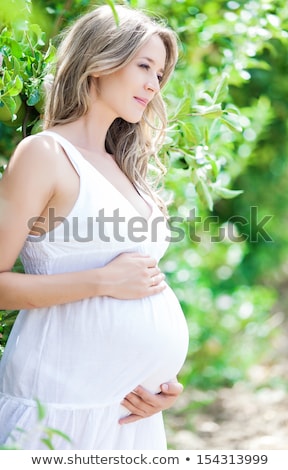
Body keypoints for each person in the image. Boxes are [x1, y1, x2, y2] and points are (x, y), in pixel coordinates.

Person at [0, 4, 189, 450]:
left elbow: (141, 294)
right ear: (99, 61)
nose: (152, 84)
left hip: (127, 411)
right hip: (61, 403)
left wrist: (162, 381)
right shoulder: (45, 154)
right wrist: (101, 281)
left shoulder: (125, 168)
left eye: (159, 74)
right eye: (144, 65)